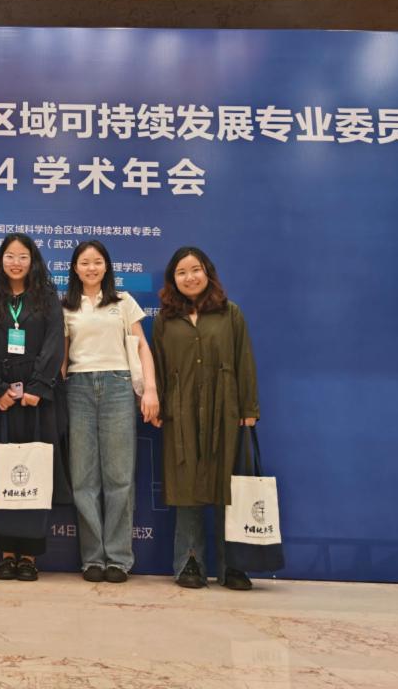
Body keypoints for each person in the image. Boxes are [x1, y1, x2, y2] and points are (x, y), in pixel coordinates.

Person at [151, 246, 260, 591]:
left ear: (208, 272)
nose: (189, 277)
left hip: (224, 408)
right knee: (186, 486)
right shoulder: (165, 320)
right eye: (181, 272)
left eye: (195, 270)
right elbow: (159, 366)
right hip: (180, 410)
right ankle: (189, 562)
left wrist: (249, 409)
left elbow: (244, 360)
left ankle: (234, 566)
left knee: (227, 486)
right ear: (173, 280)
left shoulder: (230, 313)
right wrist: (159, 406)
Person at [0, 232, 69, 582]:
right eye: (10, 256)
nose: (16, 262)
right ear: (0, 261)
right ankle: (6, 554)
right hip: (1, 402)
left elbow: (55, 343)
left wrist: (38, 387)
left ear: (33, 261)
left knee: (35, 473)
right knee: (5, 473)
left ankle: (29, 556)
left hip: (38, 400)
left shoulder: (47, 300)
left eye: (23, 256)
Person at [61, 240, 159, 583]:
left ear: (106, 267)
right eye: (84, 262)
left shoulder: (122, 302)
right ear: (75, 269)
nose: (91, 268)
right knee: (83, 477)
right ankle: (92, 558)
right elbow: (62, 356)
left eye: (97, 262)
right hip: (78, 388)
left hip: (118, 386)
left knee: (119, 476)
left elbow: (142, 347)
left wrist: (151, 389)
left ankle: (118, 558)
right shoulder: (66, 306)